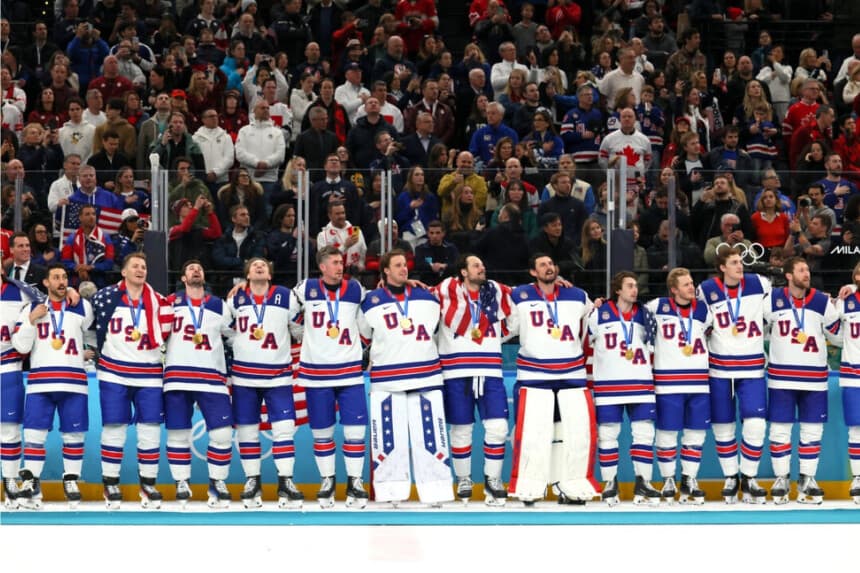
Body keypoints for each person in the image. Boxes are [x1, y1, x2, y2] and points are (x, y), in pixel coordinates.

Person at [358, 249, 452, 506]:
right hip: (387, 379)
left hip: (426, 376)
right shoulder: (370, 301)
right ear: (385, 270)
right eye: (397, 265)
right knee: (388, 439)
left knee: (431, 438)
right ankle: (391, 491)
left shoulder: (427, 296)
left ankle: (436, 491)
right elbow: (364, 336)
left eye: (405, 265)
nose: (404, 269)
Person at [508, 253, 599, 505]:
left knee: (570, 434)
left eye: (551, 263)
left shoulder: (577, 295)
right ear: (533, 272)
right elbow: (506, 327)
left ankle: (566, 486)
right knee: (533, 434)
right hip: (534, 375)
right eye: (542, 265)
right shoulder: (518, 296)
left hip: (571, 375)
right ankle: (531, 486)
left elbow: (595, 323)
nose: (549, 267)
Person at [289, 246, 369, 509]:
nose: (339, 266)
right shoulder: (305, 288)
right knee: (322, 433)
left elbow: (368, 322)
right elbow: (287, 314)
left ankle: (355, 481)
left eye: (341, 262)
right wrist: (305, 337)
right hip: (316, 373)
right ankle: (328, 480)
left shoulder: (356, 289)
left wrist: (360, 344)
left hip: (349, 371)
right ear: (322, 267)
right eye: (334, 262)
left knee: (355, 431)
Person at [91, 252, 172, 509]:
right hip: (113, 371)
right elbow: (89, 327)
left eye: (144, 267)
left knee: (149, 430)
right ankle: (110, 483)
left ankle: (148, 484)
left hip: (149, 373)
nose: (140, 270)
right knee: (114, 429)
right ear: (123, 272)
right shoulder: (105, 298)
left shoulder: (159, 302)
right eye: (135, 266)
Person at [12, 263, 94, 509]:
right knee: (35, 435)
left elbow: (89, 321)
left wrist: (76, 295)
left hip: (74, 382)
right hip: (40, 382)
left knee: (74, 435)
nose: (61, 281)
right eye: (56, 277)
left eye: (64, 277)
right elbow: (21, 347)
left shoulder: (80, 306)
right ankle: (31, 483)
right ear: (46, 283)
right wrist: (30, 320)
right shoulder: (30, 309)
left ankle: (71, 480)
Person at [434, 254, 514, 505]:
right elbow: (419, 298)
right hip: (456, 370)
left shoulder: (497, 293)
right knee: (461, 429)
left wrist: (493, 340)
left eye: (482, 264)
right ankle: (464, 479)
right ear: (463, 272)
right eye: (476, 265)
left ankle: (493, 480)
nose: (483, 267)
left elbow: (517, 318)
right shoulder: (445, 292)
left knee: (498, 428)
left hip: (490, 369)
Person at [225, 257, 303, 509]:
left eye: (264, 265)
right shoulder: (234, 299)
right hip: (244, 377)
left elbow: (299, 329)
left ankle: (286, 480)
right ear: (247, 273)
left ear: (270, 274)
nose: (259, 267)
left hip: (278, 375)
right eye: (254, 265)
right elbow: (224, 332)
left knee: (284, 429)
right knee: (247, 431)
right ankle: (252, 480)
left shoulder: (286, 296)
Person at [697, 246, 771, 503]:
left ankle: (749, 476)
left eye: (741, 261)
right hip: (719, 367)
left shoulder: (759, 283)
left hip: (752, 366)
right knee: (723, 425)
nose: (740, 266)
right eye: (735, 262)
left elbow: (787, 296)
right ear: (722, 267)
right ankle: (731, 476)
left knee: (756, 424)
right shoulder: (706, 290)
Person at [764, 257, 840, 504]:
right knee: (780, 429)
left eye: (807, 269)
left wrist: (845, 304)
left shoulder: (821, 301)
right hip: (781, 377)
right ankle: (781, 478)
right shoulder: (772, 300)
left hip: (815, 378)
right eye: (800, 270)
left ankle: (808, 478)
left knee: (812, 430)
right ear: (788, 275)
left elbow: (838, 336)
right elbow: (754, 331)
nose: (806, 273)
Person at [164, 260, 234, 508]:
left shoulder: (220, 305)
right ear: (183, 278)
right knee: (178, 433)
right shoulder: (169, 302)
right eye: (191, 269)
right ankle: (181, 482)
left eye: (200, 268)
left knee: (223, 434)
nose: (196, 271)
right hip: (177, 376)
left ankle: (217, 482)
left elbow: (234, 335)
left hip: (212, 376)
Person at [588, 271, 656, 506]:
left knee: (644, 435)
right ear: (618, 290)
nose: (634, 290)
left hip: (641, 383)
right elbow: (584, 342)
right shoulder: (599, 314)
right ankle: (609, 484)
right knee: (607, 436)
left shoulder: (646, 314)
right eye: (629, 286)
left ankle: (643, 482)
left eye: (636, 285)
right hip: (609, 385)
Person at [646, 268, 713, 505]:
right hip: (667, 381)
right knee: (667, 433)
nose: (691, 288)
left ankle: (689, 479)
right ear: (673, 289)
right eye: (685, 285)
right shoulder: (657, 307)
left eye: (692, 283)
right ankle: (667, 480)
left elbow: (711, 334)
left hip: (699, 381)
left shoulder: (704, 310)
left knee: (696, 432)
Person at [836, 261, 860, 504]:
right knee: (857, 429)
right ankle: (859, 477)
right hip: (853, 374)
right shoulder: (846, 301)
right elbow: (833, 333)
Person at [60, 204, 116, 288]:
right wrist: (79, 268)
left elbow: (109, 263)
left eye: (93, 214)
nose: (91, 217)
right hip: (76, 280)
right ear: (80, 217)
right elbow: (65, 261)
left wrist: (91, 267)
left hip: (99, 281)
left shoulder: (105, 237)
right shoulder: (72, 238)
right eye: (87, 214)